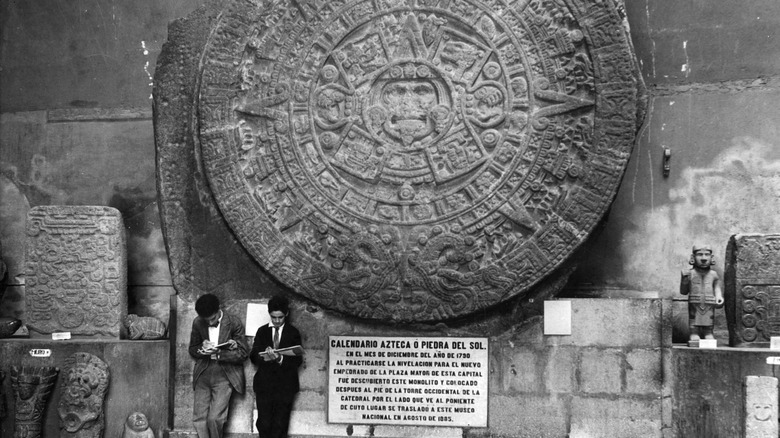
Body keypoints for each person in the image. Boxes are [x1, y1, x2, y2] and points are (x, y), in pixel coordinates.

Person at [189, 294, 249, 438]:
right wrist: (202, 349)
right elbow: (192, 349)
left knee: (215, 418)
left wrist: (220, 353)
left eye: (213, 319)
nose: (209, 323)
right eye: (206, 320)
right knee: (199, 418)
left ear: (219, 310)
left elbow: (243, 353)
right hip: (203, 372)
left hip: (224, 373)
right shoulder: (197, 322)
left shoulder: (233, 322)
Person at [250, 295, 303, 438]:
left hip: (285, 387)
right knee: (264, 423)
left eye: (280, 317)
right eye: (274, 317)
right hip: (264, 386)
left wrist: (280, 358)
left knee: (280, 424)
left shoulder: (293, 333)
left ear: (286, 314)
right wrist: (264, 356)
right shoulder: (262, 331)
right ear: (269, 314)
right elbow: (253, 357)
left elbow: (297, 361)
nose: (277, 321)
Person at [680, 244, 724, 344]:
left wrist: (719, 296)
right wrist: (684, 280)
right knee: (693, 318)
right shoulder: (689, 273)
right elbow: (683, 291)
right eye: (700, 254)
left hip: (709, 302)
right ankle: (694, 333)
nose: (704, 258)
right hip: (695, 302)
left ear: (711, 258)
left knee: (709, 318)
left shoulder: (713, 274)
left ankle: (708, 333)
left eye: (707, 255)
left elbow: (717, 288)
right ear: (693, 258)